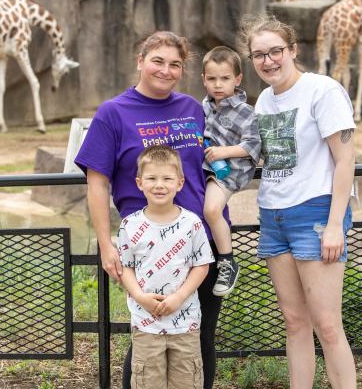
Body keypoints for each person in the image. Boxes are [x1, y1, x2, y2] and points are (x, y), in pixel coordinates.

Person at [74, 31, 223, 389]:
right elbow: (97, 182)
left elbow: (214, 165)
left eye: (175, 64)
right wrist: (106, 243)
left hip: (198, 244)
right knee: (147, 339)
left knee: (199, 338)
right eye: (158, 61)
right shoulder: (113, 113)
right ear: (140, 61)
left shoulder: (192, 108)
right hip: (144, 248)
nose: (166, 70)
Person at [237, 14, 357, 388]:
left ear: (292, 50)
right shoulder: (263, 104)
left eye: (275, 51)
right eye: (259, 55)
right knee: (294, 322)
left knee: (327, 324)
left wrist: (336, 224)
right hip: (274, 216)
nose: (268, 61)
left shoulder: (323, 91)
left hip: (316, 215)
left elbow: (345, 160)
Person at [117, 145, 214, 388]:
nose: (159, 185)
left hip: (186, 322)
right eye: (151, 178)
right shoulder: (129, 225)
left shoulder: (191, 223)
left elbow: (201, 266)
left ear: (180, 183)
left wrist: (179, 297)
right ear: (139, 183)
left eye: (167, 178)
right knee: (148, 381)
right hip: (146, 322)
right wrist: (140, 296)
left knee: (186, 381)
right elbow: (126, 267)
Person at [201, 46, 261, 296]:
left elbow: (253, 144)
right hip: (205, 167)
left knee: (212, 209)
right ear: (203, 79)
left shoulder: (246, 112)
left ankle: (227, 261)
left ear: (237, 80)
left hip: (229, 171)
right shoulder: (204, 106)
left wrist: (224, 152)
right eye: (212, 78)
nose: (218, 84)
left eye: (225, 79)